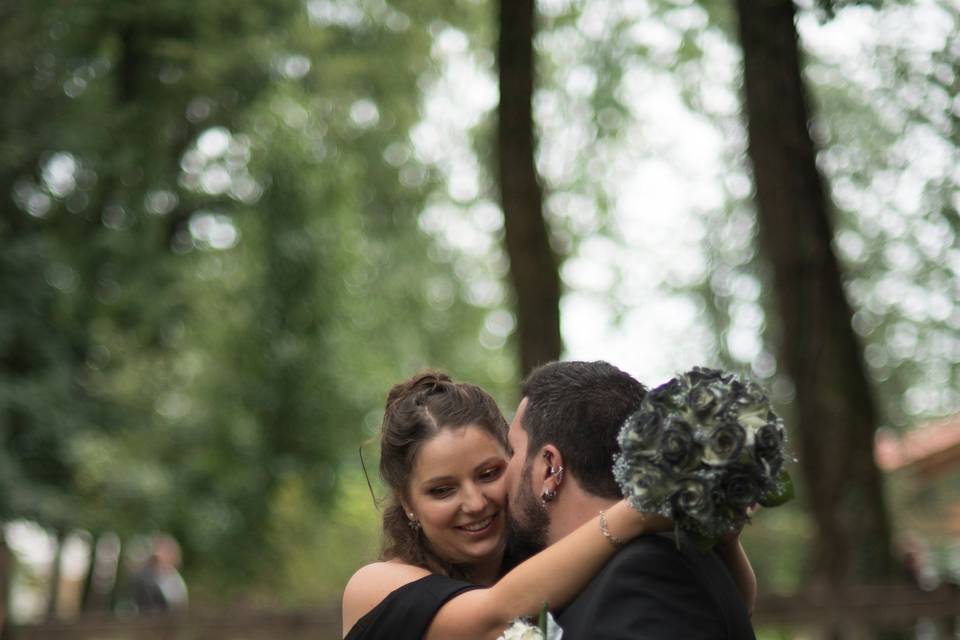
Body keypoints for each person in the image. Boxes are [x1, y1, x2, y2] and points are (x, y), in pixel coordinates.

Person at [341, 371, 754, 639]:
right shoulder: (376, 587)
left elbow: (716, 609)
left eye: (488, 473)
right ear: (407, 503)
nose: (475, 502)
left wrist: (724, 539)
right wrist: (636, 510)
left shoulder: (553, 563)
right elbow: (492, 613)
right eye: (442, 490)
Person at [504, 360, 757, 640]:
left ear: (550, 468)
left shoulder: (643, 575)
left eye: (513, 450)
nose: (504, 472)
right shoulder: (632, 565)